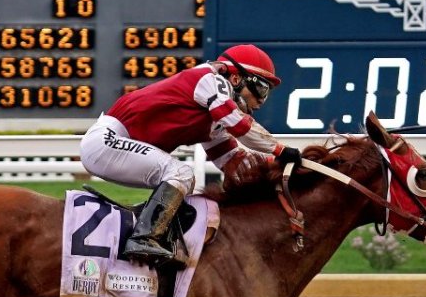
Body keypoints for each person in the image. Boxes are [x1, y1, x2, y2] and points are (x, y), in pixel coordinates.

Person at [79, 44, 300, 266]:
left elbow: (234, 162)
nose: (262, 101)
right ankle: (143, 238)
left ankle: (152, 233)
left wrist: (276, 166)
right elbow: (240, 126)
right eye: (261, 89)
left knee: (183, 184)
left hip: (114, 144)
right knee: (181, 173)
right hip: (106, 141)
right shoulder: (210, 81)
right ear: (235, 79)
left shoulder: (213, 116)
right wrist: (280, 149)